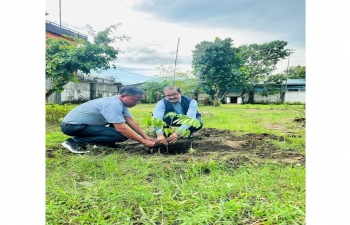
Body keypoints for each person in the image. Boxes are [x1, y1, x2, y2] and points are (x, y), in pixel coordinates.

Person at [60, 86, 156, 153]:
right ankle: (75, 142)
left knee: (117, 125)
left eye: (138, 100)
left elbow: (130, 121)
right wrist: (144, 142)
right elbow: (121, 128)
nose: (137, 103)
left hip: (85, 125)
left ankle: (106, 143)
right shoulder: (112, 104)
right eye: (134, 100)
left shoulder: (122, 104)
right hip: (72, 127)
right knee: (122, 135)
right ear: (123, 96)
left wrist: (145, 137)